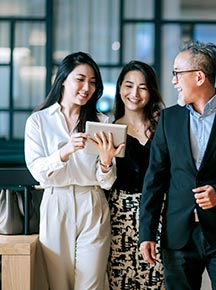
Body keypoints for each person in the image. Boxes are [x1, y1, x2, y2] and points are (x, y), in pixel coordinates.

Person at [139, 41, 216, 290]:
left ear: (199, 77)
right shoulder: (169, 119)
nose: (174, 80)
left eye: (177, 73)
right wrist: (147, 232)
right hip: (178, 235)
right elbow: (154, 179)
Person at [24, 51, 125, 290]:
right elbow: (37, 171)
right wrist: (64, 152)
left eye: (92, 82)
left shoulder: (103, 122)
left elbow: (107, 181)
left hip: (92, 202)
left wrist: (106, 162)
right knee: (60, 284)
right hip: (55, 202)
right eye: (80, 79)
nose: (86, 87)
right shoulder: (38, 121)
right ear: (63, 80)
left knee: (90, 284)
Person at [107, 60, 165, 289]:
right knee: (122, 280)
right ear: (120, 88)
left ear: (151, 91)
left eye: (142, 87)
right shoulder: (109, 130)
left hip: (160, 214)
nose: (134, 93)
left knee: (158, 281)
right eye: (129, 85)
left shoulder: (164, 127)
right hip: (120, 218)